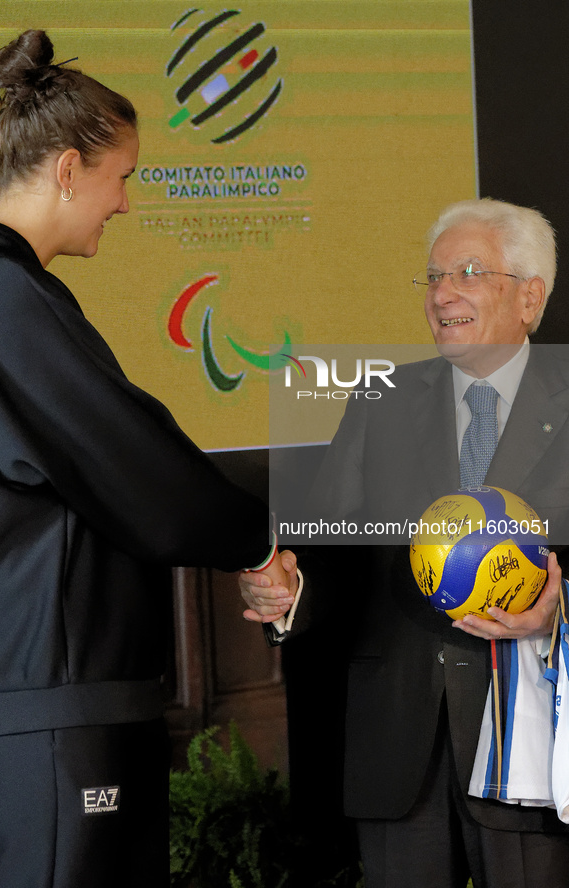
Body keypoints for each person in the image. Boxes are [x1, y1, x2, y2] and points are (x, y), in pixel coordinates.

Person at [0, 29, 291, 888]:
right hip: (51, 701)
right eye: (122, 178)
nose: (124, 203)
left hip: (22, 697)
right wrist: (256, 543)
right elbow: (134, 468)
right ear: (69, 169)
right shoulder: (5, 299)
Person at [241, 198, 569, 887]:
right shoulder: (379, 400)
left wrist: (558, 607)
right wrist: (291, 588)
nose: (442, 294)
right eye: (433, 277)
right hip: (397, 746)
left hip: (531, 749)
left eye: (468, 273)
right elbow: (329, 544)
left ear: (529, 295)